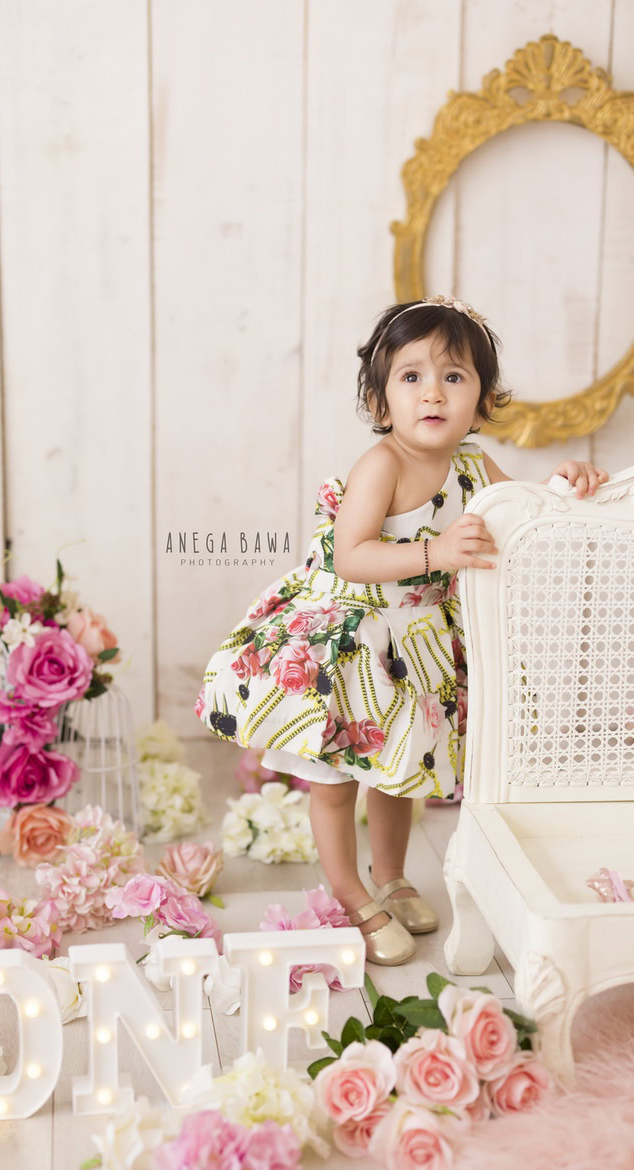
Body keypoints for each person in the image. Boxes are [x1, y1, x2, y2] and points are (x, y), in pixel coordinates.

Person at [194, 294, 609, 965]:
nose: (433, 392)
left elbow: (522, 516)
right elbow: (354, 553)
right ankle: (353, 895)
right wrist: (434, 553)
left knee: (398, 772)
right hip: (346, 641)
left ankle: (391, 876)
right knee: (335, 780)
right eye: (411, 376)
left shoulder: (474, 466)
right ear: (383, 402)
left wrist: (566, 484)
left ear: (484, 398)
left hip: (409, 646)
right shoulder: (381, 466)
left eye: (454, 375)